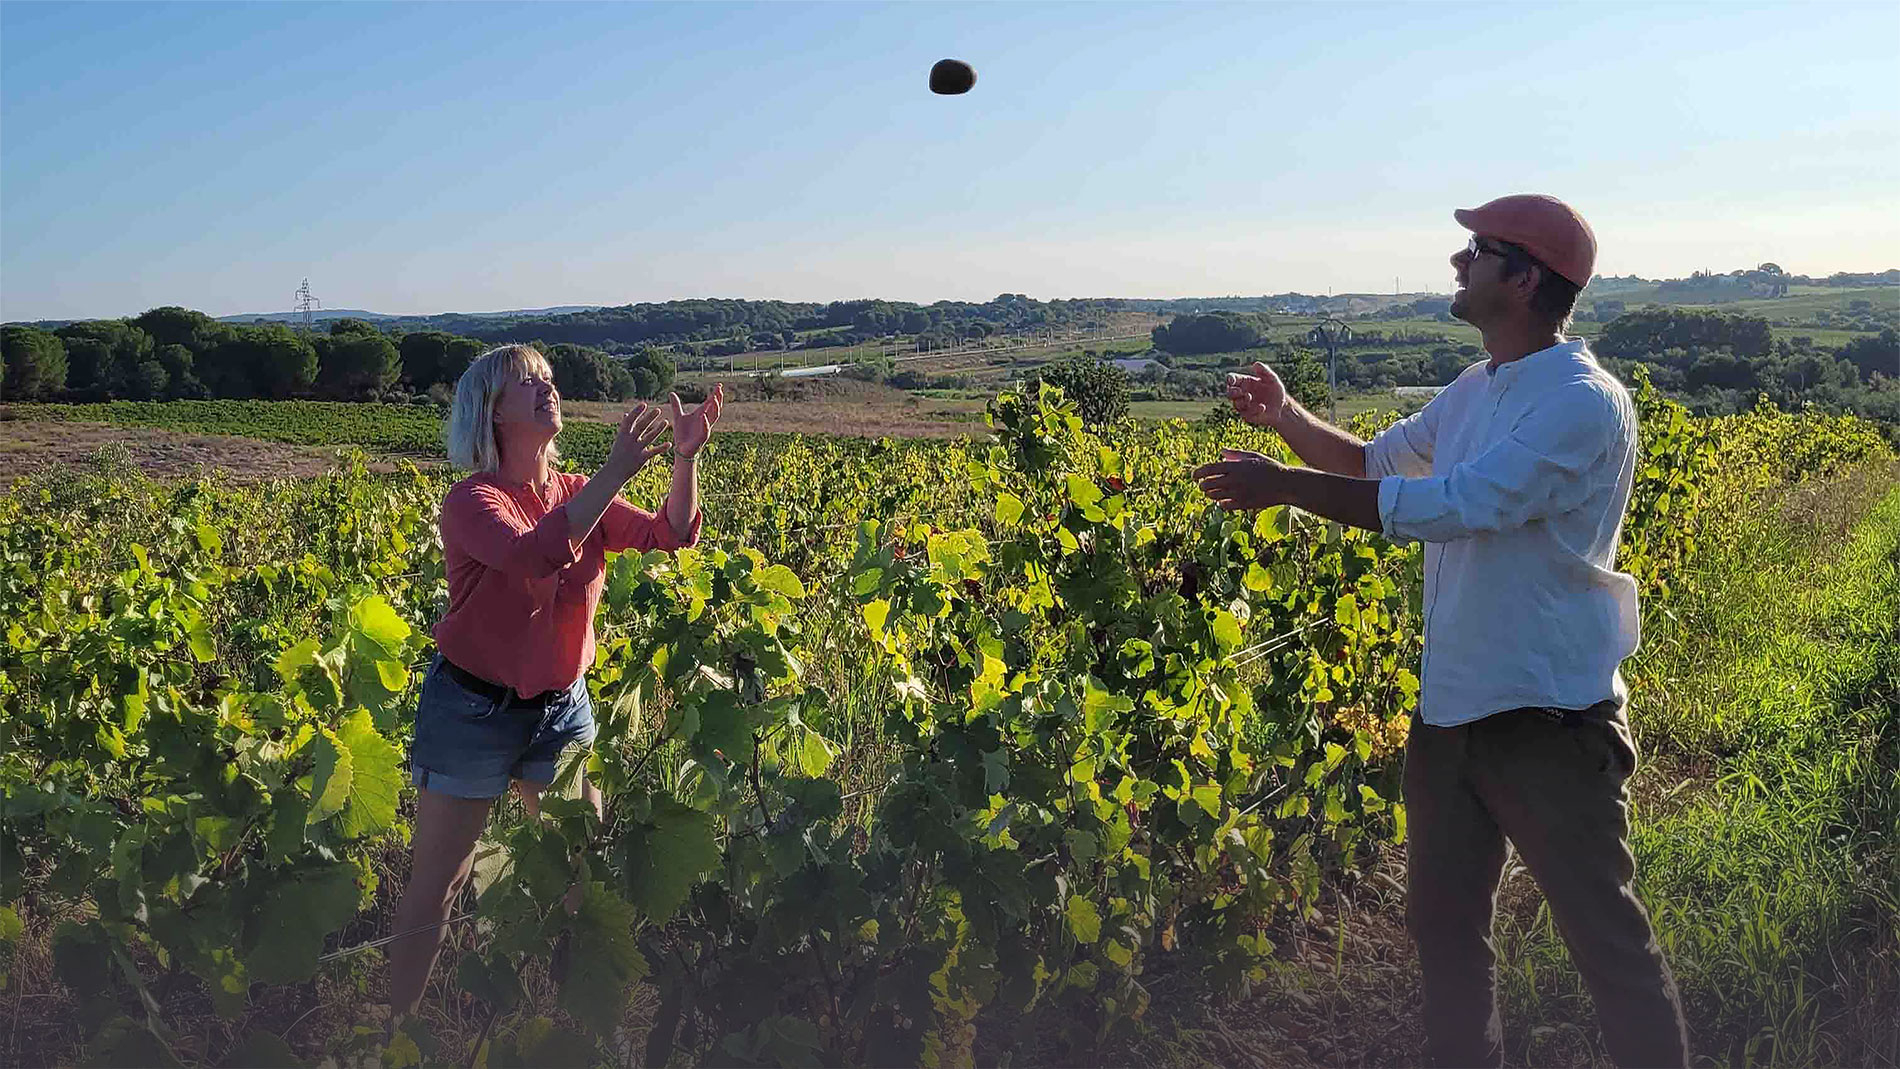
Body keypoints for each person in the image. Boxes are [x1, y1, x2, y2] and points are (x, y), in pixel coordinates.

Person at [1194, 195, 1688, 1067]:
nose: (1459, 264)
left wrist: (1283, 486)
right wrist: (1287, 417)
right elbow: (1374, 462)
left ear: (1526, 277)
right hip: (1451, 710)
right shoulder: (1475, 387)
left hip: (1549, 718)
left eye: (1478, 250)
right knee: (1445, 932)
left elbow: (1458, 506)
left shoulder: (1584, 403)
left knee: (1608, 947)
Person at [387, 343, 724, 1021]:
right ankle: (395, 1030)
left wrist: (684, 460)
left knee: (582, 877)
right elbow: (532, 552)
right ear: (492, 412)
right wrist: (616, 469)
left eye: (546, 377)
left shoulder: (573, 490)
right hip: (472, 712)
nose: (546, 387)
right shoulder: (472, 500)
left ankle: (578, 1028)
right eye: (525, 381)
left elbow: (671, 533)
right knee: (438, 890)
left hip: (562, 712)